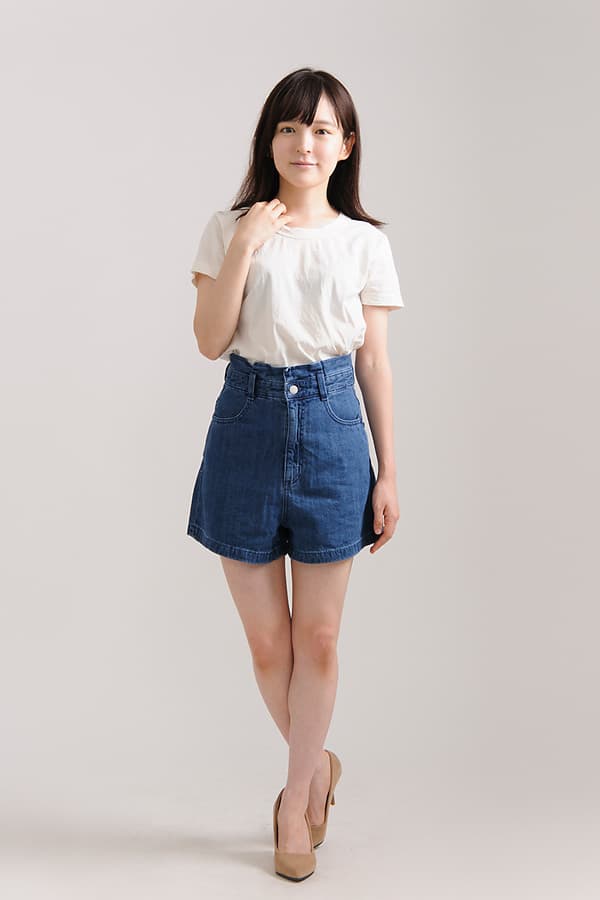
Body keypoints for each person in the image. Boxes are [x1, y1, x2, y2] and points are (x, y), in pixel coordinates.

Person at [186, 67, 405, 881]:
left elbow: (374, 362)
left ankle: (293, 803)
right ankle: (317, 770)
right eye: (289, 127)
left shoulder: (363, 242)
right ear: (269, 139)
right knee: (267, 643)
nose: (303, 143)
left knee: (317, 638)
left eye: (320, 129)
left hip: (334, 429)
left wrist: (389, 472)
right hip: (245, 423)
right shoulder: (229, 226)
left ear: (345, 146)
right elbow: (210, 340)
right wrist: (248, 243)